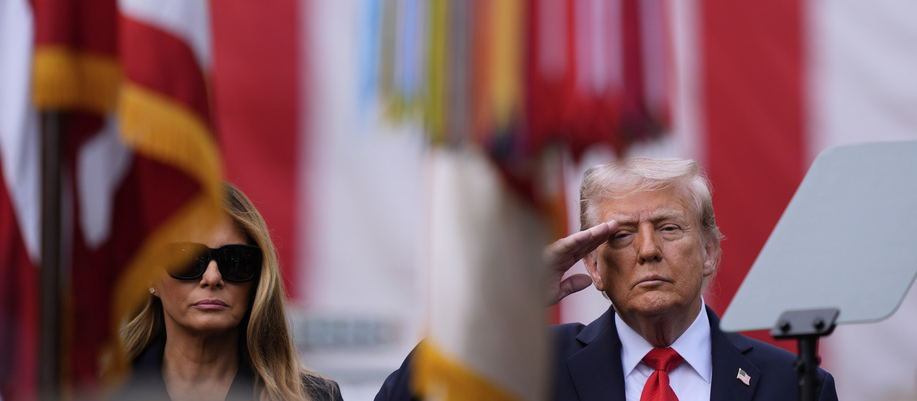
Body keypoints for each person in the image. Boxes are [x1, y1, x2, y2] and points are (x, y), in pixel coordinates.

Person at [377, 157, 838, 401]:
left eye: (669, 227)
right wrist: (504, 301)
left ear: (710, 252)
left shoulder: (795, 386)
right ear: (593, 265)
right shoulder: (535, 373)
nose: (648, 249)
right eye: (621, 236)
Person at [115, 182, 343, 401]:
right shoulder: (101, 390)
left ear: (258, 280)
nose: (212, 278)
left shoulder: (316, 398)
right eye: (187, 259)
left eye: (235, 261)